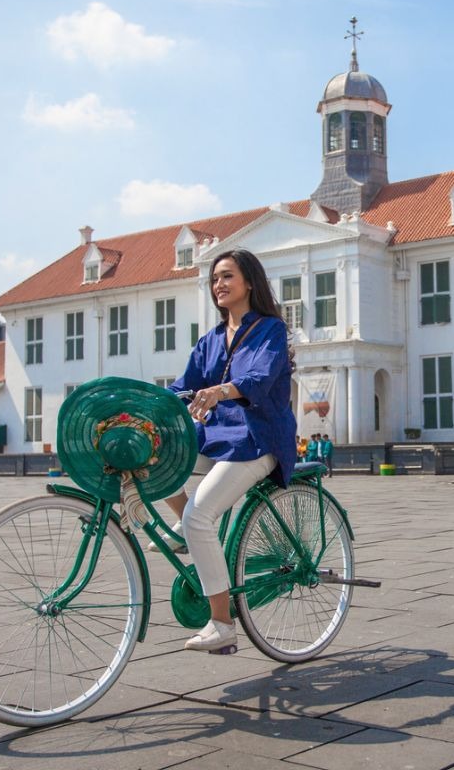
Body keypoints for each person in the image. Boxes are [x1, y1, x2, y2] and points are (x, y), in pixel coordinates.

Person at [157, 249, 297, 653]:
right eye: (215, 278)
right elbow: (182, 386)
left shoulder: (271, 330)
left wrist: (221, 390)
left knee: (201, 515)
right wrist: (150, 406)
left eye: (227, 276)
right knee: (158, 460)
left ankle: (221, 622)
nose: (218, 284)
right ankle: (185, 529)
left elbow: (258, 378)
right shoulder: (210, 340)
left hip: (258, 438)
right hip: (217, 436)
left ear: (249, 282)